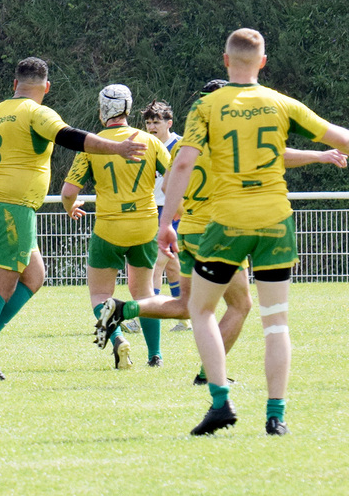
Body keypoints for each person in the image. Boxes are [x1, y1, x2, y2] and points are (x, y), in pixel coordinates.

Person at [100, 29, 349, 436]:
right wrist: (323, 155)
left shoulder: (207, 107)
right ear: (263, 62)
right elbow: (338, 138)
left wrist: (166, 224)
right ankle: (276, 416)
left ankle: (219, 402)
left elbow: (182, 165)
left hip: (224, 225)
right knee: (275, 323)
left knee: (198, 310)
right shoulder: (280, 102)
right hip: (274, 221)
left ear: (226, 60)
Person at [0, 56, 146, 381]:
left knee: (35, 275)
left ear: (14, 84)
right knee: (0, 287)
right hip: (10, 208)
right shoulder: (37, 112)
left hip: (4, 206)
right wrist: (116, 147)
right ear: (46, 87)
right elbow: (70, 137)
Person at [58, 84, 172, 369]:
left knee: (100, 295)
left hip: (109, 228)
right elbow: (174, 179)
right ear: (129, 109)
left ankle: (118, 339)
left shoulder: (92, 145)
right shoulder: (150, 142)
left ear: (102, 110)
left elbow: (68, 192)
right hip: (145, 226)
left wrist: (70, 207)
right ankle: (155, 356)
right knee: (145, 293)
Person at [142, 100, 186, 323]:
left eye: (156, 122)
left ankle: (148, 315)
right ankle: (184, 317)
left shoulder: (180, 145)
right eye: (148, 123)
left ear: (169, 123)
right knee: (172, 264)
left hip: (174, 210)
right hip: (152, 209)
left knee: (156, 262)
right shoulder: (146, 145)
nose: (151, 127)